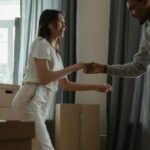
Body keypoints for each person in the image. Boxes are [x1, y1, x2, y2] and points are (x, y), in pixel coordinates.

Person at [12, 9, 112, 150]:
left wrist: (96, 87)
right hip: (31, 97)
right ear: (49, 24)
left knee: (35, 146)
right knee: (45, 146)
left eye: (64, 23)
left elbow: (66, 85)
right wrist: (76, 66)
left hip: (44, 99)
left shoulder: (56, 54)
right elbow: (45, 78)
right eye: (60, 22)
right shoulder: (40, 43)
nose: (64, 26)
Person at [83, 0, 150, 78]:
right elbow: (138, 67)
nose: (132, 15)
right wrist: (104, 69)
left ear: (145, 2)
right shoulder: (147, 36)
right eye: (130, 11)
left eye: (133, 8)